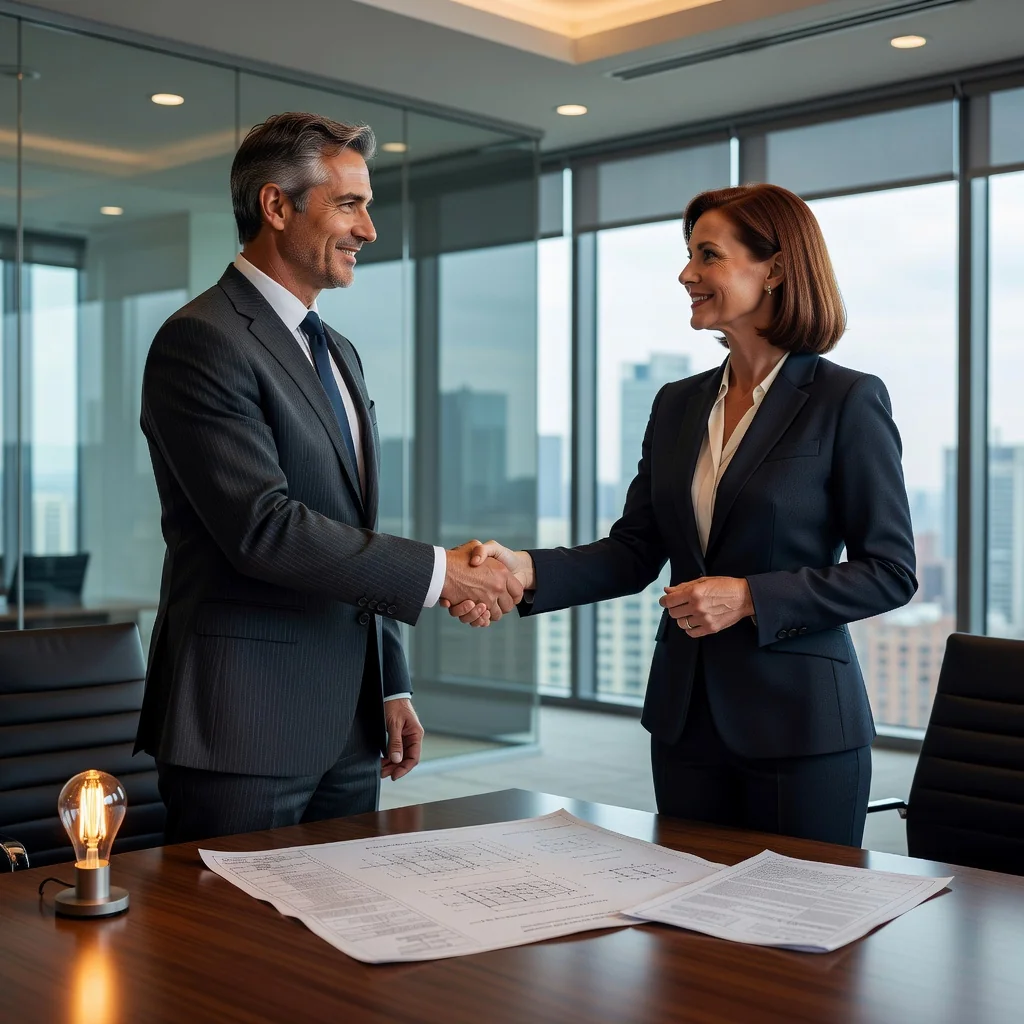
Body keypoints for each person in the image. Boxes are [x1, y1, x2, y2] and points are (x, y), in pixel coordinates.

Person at [449, 183, 918, 846]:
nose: (686, 274)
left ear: (775, 269)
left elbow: (890, 571)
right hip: (685, 719)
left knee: (798, 937)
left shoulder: (846, 400)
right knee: (686, 933)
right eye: (687, 254)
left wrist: (750, 597)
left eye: (707, 255)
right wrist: (522, 569)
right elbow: (635, 549)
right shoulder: (677, 403)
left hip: (802, 729)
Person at [136, 112, 521, 844]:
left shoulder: (336, 349)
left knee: (341, 944)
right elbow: (264, 528)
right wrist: (445, 575)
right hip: (242, 726)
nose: (369, 230)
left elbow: (352, 529)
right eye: (349, 205)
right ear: (276, 206)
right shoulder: (202, 340)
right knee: (235, 953)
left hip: (350, 723)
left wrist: (392, 681)